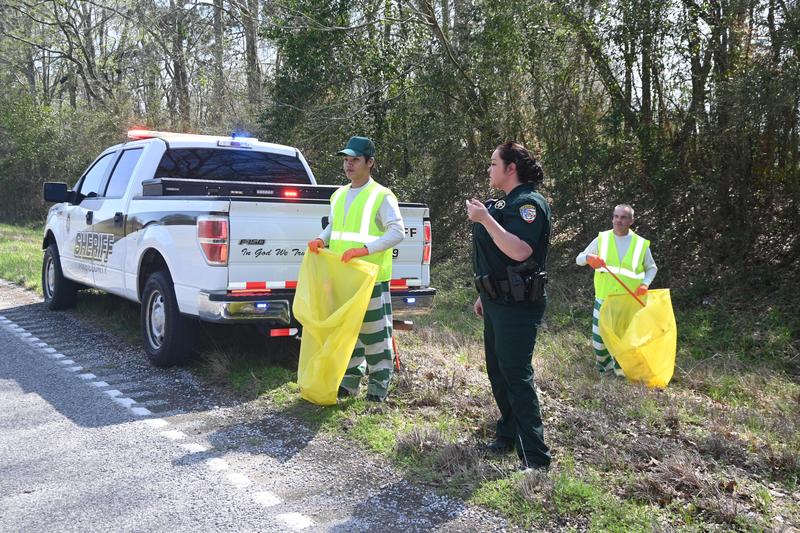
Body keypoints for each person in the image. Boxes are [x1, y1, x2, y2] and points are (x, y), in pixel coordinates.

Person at [467, 141, 552, 471]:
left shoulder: (529, 204)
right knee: (498, 372)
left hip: (518, 305)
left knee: (516, 375)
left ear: (510, 168)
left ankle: (535, 457)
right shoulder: (506, 203)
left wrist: (486, 219)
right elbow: (496, 256)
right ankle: (508, 433)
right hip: (496, 300)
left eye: (493, 164)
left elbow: (519, 251)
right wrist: (483, 294)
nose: (489, 169)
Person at [307, 136, 404, 402]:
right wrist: (321, 239)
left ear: (370, 162)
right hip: (343, 277)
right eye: (346, 160)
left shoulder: (382, 195)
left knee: (375, 335)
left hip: (370, 277)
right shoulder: (338, 195)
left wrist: (364, 250)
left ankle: (378, 387)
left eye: (355, 160)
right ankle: (349, 382)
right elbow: (334, 227)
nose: (349, 165)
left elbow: (397, 232)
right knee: (346, 332)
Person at [576, 204, 657, 375]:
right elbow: (579, 259)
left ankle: (623, 372)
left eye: (623, 217)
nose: (618, 220)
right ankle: (605, 371)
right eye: (616, 216)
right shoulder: (602, 239)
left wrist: (645, 283)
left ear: (631, 221)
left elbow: (651, 268)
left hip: (629, 301)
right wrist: (589, 258)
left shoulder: (640, 244)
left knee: (625, 339)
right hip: (604, 298)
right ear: (612, 218)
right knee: (600, 340)